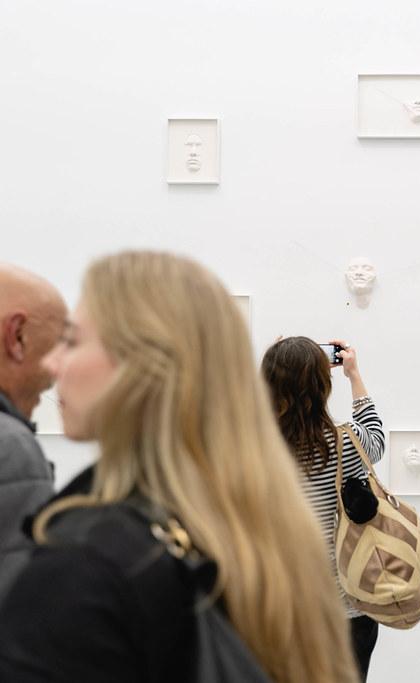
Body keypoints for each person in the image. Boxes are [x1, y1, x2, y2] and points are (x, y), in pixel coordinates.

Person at [0, 251, 359, 683]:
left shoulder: (89, 561)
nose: (53, 364)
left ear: (141, 366)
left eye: (73, 341)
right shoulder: (238, 533)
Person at [261, 336, 384, 681]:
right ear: (322, 385)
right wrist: (353, 374)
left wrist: (270, 367)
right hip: (347, 608)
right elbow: (376, 439)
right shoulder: (346, 441)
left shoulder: (258, 445)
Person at [0, 264, 67, 602]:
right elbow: (22, 606)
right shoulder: (11, 448)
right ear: (17, 336)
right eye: (61, 345)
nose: (60, 369)